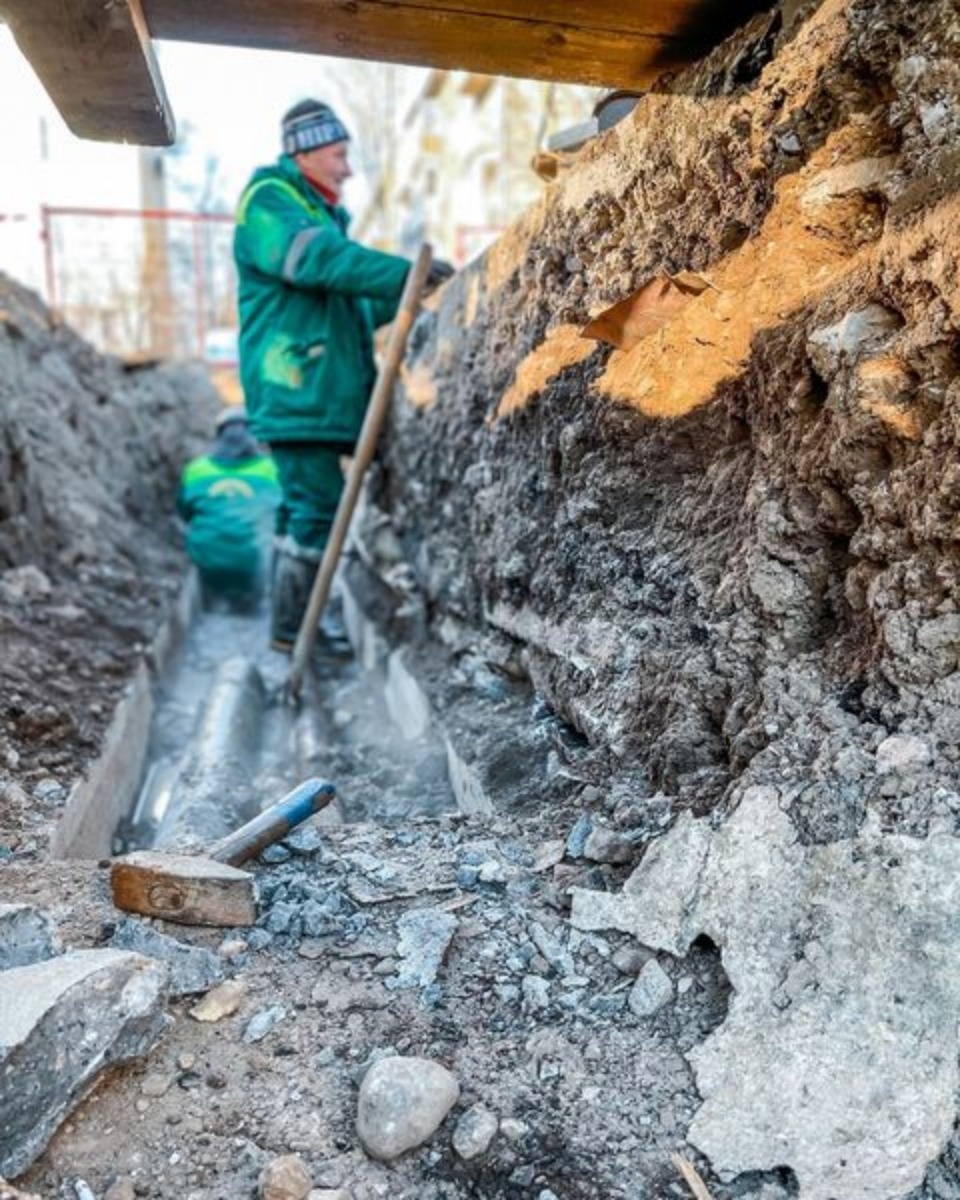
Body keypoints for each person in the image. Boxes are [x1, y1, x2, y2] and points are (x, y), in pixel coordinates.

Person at [233, 98, 454, 650]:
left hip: (315, 392)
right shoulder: (270, 202)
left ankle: (292, 626)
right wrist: (408, 274)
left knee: (301, 510)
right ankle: (296, 631)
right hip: (297, 389)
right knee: (316, 510)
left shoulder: (317, 216)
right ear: (303, 152)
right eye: (338, 155)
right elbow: (318, 261)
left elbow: (350, 306)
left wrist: (411, 297)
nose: (348, 169)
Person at [177, 408, 281, 607]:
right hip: (257, 563)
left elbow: (184, 512)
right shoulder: (272, 470)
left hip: (208, 558)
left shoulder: (196, 470)